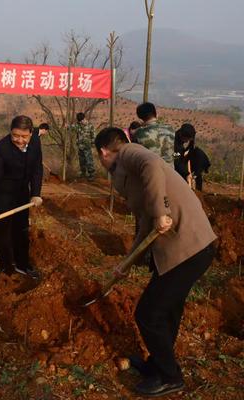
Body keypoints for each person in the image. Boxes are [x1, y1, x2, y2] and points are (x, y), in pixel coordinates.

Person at [95, 127, 216, 397]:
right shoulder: (127, 172)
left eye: (99, 157)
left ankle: (171, 377)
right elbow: (146, 225)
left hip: (191, 248)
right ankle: (158, 365)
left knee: (148, 314)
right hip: (183, 249)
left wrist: (161, 211)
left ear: (104, 152)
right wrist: (127, 261)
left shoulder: (129, 153)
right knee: (168, 309)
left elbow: (152, 164)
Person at [0, 115, 43, 279]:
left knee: (21, 231)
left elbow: (37, 169)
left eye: (23, 136)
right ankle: (6, 269)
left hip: (22, 194)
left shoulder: (35, 143)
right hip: (3, 194)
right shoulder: (2, 148)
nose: (19, 140)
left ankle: (22, 265)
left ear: (31, 133)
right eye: (15, 135)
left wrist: (35, 194)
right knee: (3, 234)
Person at [174, 123, 211, 191]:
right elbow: (176, 162)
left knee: (199, 155)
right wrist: (187, 174)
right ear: (182, 135)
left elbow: (191, 147)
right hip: (174, 162)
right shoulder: (175, 144)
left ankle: (198, 191)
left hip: (182, 157)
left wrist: (194, 175)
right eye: (187, 139)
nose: (187, 141)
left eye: (189, 139)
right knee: (183, 174)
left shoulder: (188, 136)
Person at [72, 112, 95, 180]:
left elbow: (93, 135)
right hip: (80, 146)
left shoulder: (90, 126)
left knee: (89, 161)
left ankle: (91, 174)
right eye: (80, 121)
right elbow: (71, 127)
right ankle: (83, 173)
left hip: (87, 146)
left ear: (84, 118)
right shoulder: (78, 125)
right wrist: (67, 126)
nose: (81, 122)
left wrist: (93, 145)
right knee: (81, 161)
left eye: (82, 120)